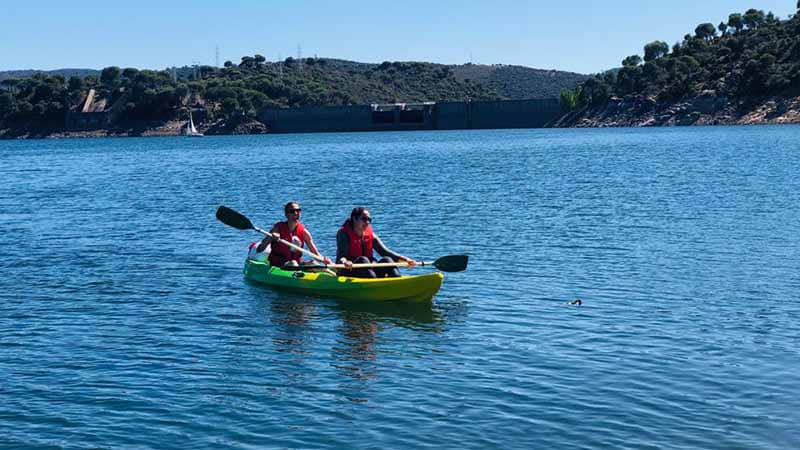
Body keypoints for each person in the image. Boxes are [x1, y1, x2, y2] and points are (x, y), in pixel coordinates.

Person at [336, 207, 417, 278]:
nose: (367, 222)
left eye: (369, 220)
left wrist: (406, 260)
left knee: (387, 260)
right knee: (363, 260)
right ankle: (376, 284)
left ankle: (398, 281)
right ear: (354, 218)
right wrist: (345, 262)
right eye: (364, 219)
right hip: (349, 271)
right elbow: (341, 257)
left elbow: (385, 252)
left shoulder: (371, 235)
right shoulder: (344, 234)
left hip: (367, 270)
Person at [257, 201, 332, 268]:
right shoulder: (277, 229)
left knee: (314, 263)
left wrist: (324, 260)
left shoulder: (304, 232)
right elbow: (259, 249)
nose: (296, 213)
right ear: (286, 214)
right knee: (293, 263)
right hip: (278, 265)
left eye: (298, 210)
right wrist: (270, 237)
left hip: (297, 265)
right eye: (292, 211)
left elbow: (315, 254)